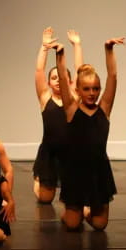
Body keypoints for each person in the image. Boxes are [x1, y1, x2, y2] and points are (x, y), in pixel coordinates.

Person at [48, 33, 124, 231]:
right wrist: (60, 55)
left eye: (95, 89)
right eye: (87, 89)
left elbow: (113, 77)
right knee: (73, 224)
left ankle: (86, 212)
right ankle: (73, 213)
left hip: (98, 171)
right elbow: (64, 78)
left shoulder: (104, 109)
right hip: (75, 171)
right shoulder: (72, 109)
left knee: (100, 225)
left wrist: (109, 50)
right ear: (79, 90)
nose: (92, 93)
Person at [33, 27, 83, 203]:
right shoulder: (45, 98)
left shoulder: (75, 97)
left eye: (59, 77)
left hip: (71, 153)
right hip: (50, 152)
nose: (56, 80)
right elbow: (39, 71)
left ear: (68, 81)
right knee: (45, 199)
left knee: (72, 198)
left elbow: (79, 70)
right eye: (52, 78)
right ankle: (39, 179)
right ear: (48, 82)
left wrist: (77, 45)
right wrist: (44, 47)